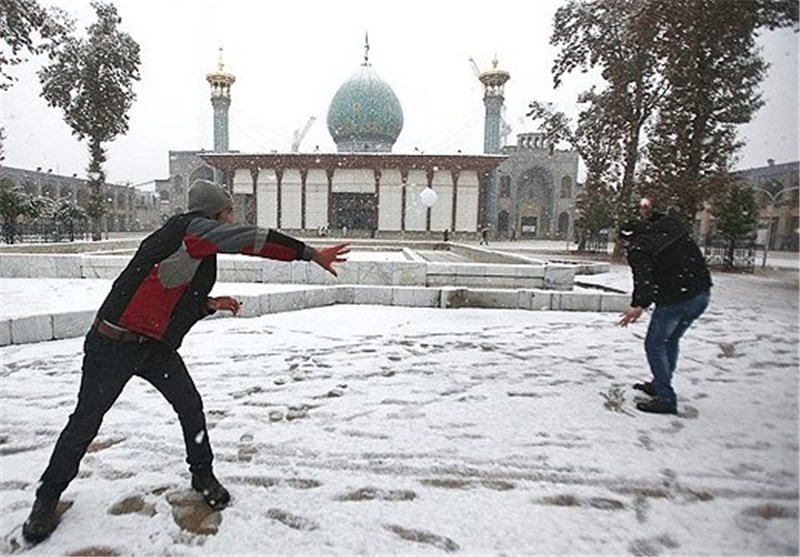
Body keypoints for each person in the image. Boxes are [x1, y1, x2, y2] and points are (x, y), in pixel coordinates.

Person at [22, 179, 350, 544]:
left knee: (190, 407)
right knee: (85, 422)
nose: (231, 218)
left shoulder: (198, 248)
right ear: (211, 214)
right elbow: (252, 239)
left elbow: (170, 293)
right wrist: (308, 253)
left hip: (153, 348)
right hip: (112, 344)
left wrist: (212, 304)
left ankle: (202, 476)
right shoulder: (192, 230)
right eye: (227, 212)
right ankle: (46, 498)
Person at [617, 197, 712, 415]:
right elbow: (666, 219)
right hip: (701, 294)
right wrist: (650, 213)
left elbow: (644, 280)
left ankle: (665, 397)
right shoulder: (670, 228)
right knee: (671, 339)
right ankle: (661, 384)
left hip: (675, 299)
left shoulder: (639, 248)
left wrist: (638, 305)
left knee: (655, 343)